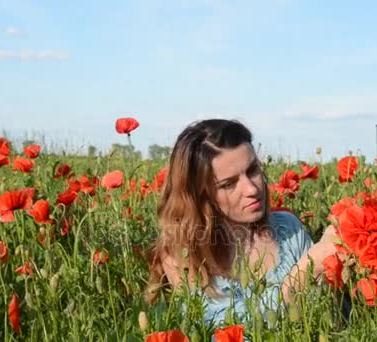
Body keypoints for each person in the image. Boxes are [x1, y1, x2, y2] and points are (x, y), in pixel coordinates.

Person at [144, 118, 339, 326]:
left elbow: (327, 313)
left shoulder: (288, 229)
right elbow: (226, 333)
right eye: (229, 184)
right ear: (201, 195)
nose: (252, 189)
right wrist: (304, 273)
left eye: (253, 170)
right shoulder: (184, 255)